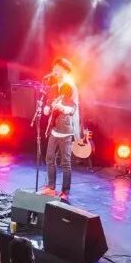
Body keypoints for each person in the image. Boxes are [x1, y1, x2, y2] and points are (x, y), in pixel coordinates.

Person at [41, 58, 78, 201]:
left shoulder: (71, 87)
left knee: (65, 162)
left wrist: (62, 107)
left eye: (58, 69)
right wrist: (46, 108)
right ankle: (51, 187)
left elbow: (72, 109)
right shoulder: (53, 88)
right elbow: (48, 104)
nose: (55, 71)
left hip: (66, 130)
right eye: (54, 68)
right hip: (54, 128)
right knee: (49, 158)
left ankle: (65, 191)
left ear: (65, 71)